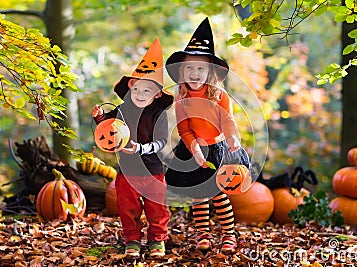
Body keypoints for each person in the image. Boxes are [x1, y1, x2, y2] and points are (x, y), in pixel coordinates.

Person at [165, 17, 251, 254]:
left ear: (210, 72)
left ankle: (228, 234)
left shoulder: (219, 96)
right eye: (189, 68)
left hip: (216, 147)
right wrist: (194, 148)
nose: (194, 73)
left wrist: (233, 137)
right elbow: (184, 128)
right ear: (182, 72)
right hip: (193, 148)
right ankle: (203, 233)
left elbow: (228, 121)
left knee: (218, 192)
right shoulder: (182, 98)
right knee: (197, 195)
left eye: (200, 68)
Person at [92, 38, 173, 258]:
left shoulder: (159, 115)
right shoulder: (121, 110)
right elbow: (108, 130)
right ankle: (132, 239)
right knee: (127, 207)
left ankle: (157, 239)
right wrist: (99, 117)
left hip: (153, 169)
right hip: (127, 170)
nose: (140, 94)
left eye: (147, 91)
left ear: (157, 94)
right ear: (130, 87)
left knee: (156, 207)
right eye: (137, 88)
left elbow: (162, 142)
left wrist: (141, 148)